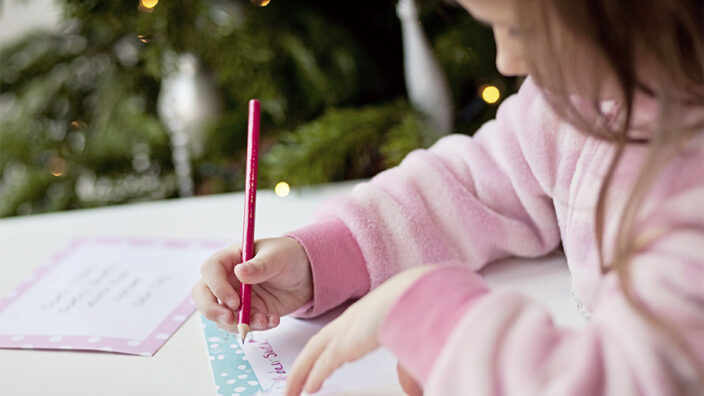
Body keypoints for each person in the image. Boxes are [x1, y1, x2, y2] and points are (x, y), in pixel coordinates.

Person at [192, 0, 704, 394]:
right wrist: (323, 257)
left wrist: (433, 317)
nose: (506, 62)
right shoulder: (581, 101)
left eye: (519, 27)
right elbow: (473, 181)